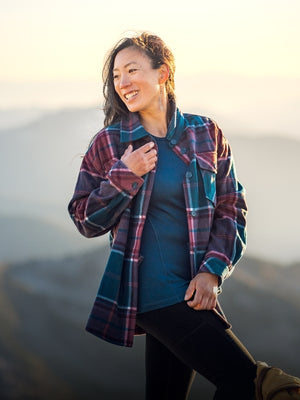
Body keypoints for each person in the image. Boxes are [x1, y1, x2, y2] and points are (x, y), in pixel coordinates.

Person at [68, 32, 257, 400]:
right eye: (117, 75)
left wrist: (211, 271)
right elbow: (84, 219)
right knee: (246, 382)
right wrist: (124, 175)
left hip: (192, 290)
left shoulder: (207, 133)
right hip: (148, 293)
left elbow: (232, 207)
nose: (122, 83)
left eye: (132, 70)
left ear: (163, 73)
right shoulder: (109, 143)